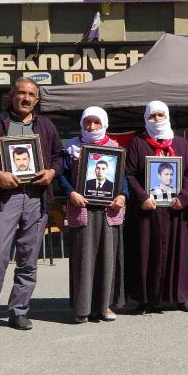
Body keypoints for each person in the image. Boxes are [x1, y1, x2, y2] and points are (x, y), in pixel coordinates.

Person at [0, 77, 62, 338]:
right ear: (12, 96)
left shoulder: (46, 125)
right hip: (4, 198)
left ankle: (19, 311)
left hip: (36, 197)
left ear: (37, 100)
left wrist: (52, 171)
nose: (26, 98)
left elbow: (59, 157)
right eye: (21, 93)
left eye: (31, 94)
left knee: (28, 258)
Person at [124, 101, 188, 313]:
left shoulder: (181, 144)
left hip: (176, 209)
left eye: (160, 115)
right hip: (148, 209)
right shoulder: (138, 143)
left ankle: (182, 296)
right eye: (152, 116)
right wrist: (142, 197)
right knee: (146, 251)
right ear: (146, 118)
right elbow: (129, 174)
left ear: (167, 116)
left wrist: (184, 197)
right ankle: (146, 299)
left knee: (180, 253)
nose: (157, 120)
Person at [58, 106, 127, 323]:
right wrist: (71, 193)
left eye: (96, 122)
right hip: (83, 209)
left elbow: (123, 177)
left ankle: (104, 306)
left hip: (108, 210)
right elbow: (61, 176)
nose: (92, 126)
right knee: (83, 258)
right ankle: (82, 308)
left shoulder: (114, 148)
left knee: (108, 258)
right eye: (88, 122)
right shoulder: (71, 148)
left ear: (104, 123)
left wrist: (123, 195)